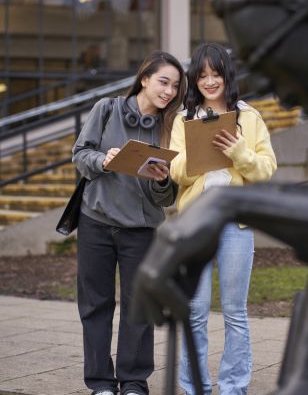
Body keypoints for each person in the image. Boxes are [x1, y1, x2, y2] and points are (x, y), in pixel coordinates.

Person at [72, 50, 186, 395]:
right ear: (145, 78)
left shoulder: (171, 127)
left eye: (175, 86)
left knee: (140, 306)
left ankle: (134, 381)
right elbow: (80, 154)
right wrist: (103, 160)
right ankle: (101, 384)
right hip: (96, 222)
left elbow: (167, 198)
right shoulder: (106, 109)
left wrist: (163, 180)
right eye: (163, 82)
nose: (168, 91)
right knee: (95, 305)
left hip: (141, 230)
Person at [169, 43, 277, 395]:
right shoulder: (183, 121)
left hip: (235, 224)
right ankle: (193, 387)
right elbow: (174, 169)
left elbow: (266, 170)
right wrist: (202, 157)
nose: (210, 81)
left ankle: (234, 387)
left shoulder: (249, 117)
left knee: (235, 312)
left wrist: (238, 153)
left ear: (226, 76)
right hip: (195, 222)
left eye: (216, 74)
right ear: (194, 80)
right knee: (195, 312)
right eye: (202, 76)